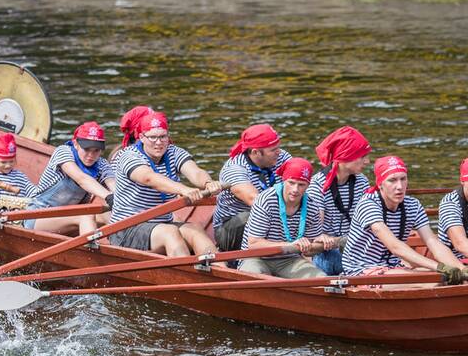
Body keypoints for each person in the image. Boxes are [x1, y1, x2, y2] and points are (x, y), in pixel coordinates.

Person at [341, 156, 468, 282]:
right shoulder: (368, 204)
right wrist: (439, 267)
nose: (399, 186)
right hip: (361, 271)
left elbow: (433, 242)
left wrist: (462, 269)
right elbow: (395, 247)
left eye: (403, 179)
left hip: (394, 265)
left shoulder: (413, 205)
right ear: (380, 184)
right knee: (434, 280)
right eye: (392, 180)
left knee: (450, 279)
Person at [109, 111, 223, 256]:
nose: (158, 142)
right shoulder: (128, 156)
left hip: (161, 224)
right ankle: (186, 277)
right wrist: (184, 190)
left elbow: (195, 172)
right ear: (142, 137)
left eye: (163, 136)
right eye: (153, 137)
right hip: (126, 229)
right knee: (170, 232)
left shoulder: (174, 152)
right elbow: (148, 178)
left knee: (196, 231)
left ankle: (222, 273)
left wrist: (208, 183)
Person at [238, 158, 337, 278]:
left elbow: (311, 249)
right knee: (255, 278)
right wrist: (291, 245)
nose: (295, 190)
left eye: (301, 185)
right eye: (291, 183)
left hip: (289, 259)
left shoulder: (312, 206)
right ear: (283, 180)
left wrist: (322, 242)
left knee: (321, 279)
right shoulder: (265, 200)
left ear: (308, 185)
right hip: (256, 257)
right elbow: (254, 244)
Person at [23, 122, 115, 235]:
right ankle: (89, 251)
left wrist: (119, 198)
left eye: (96, 150)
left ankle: (125, 249)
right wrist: (109, 196)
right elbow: (82, 179)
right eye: (87, 149)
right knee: (85, 216)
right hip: (38, 217)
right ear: (76, 144)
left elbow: (113, 185)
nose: (91, 155)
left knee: (110, 215)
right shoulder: (63, 152)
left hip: (69, 217)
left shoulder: (102, 164)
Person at [212, 123, 292, 252]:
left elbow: (300, 181)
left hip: (273, 218)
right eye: (273, 150)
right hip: (231, 229)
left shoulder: (281, 157)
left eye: (278, 147)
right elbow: (256, 201)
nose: (279, 152)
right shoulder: (234, 169)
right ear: (255, 152)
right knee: (252, 215)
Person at [306, 125, 372, 275]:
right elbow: (315, 237)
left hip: (356, 247)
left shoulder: (361, 181)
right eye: (362, 156)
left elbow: (367, 223)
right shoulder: (317, 185)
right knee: (334, 259)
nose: (367, 161)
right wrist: (333, 241)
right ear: (345, 156)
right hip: (326, 253)